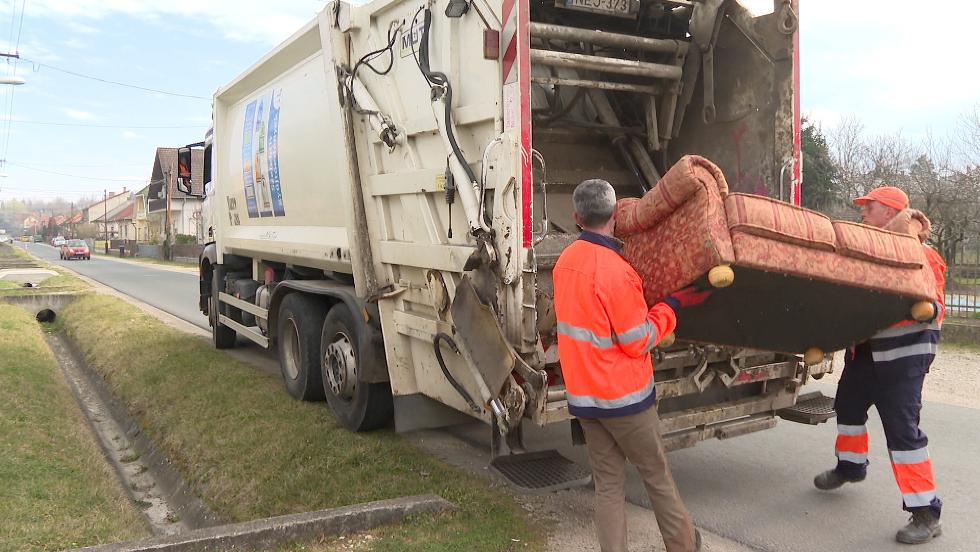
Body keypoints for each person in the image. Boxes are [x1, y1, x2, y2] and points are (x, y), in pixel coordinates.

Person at [553, 179, 709, 552]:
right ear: (616, 217)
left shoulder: (564, 263)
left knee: (608, 485)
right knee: (656, 475)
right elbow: (637, 339)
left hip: (586, 400)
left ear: (576, 217)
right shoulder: (617, 271)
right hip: (626, 400)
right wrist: (672, 307)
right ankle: (683, 545)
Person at [813, 185, 946, 545]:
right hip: (864, 356)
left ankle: (926, 514)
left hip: (902, 361)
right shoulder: (867, 254)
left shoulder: (921, 254)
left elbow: (934, 305)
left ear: (889, 212)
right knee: (849, 411)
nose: (862, 213)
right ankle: (851, 467)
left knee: (904, 436)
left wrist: (929, 308)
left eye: (868, 207)